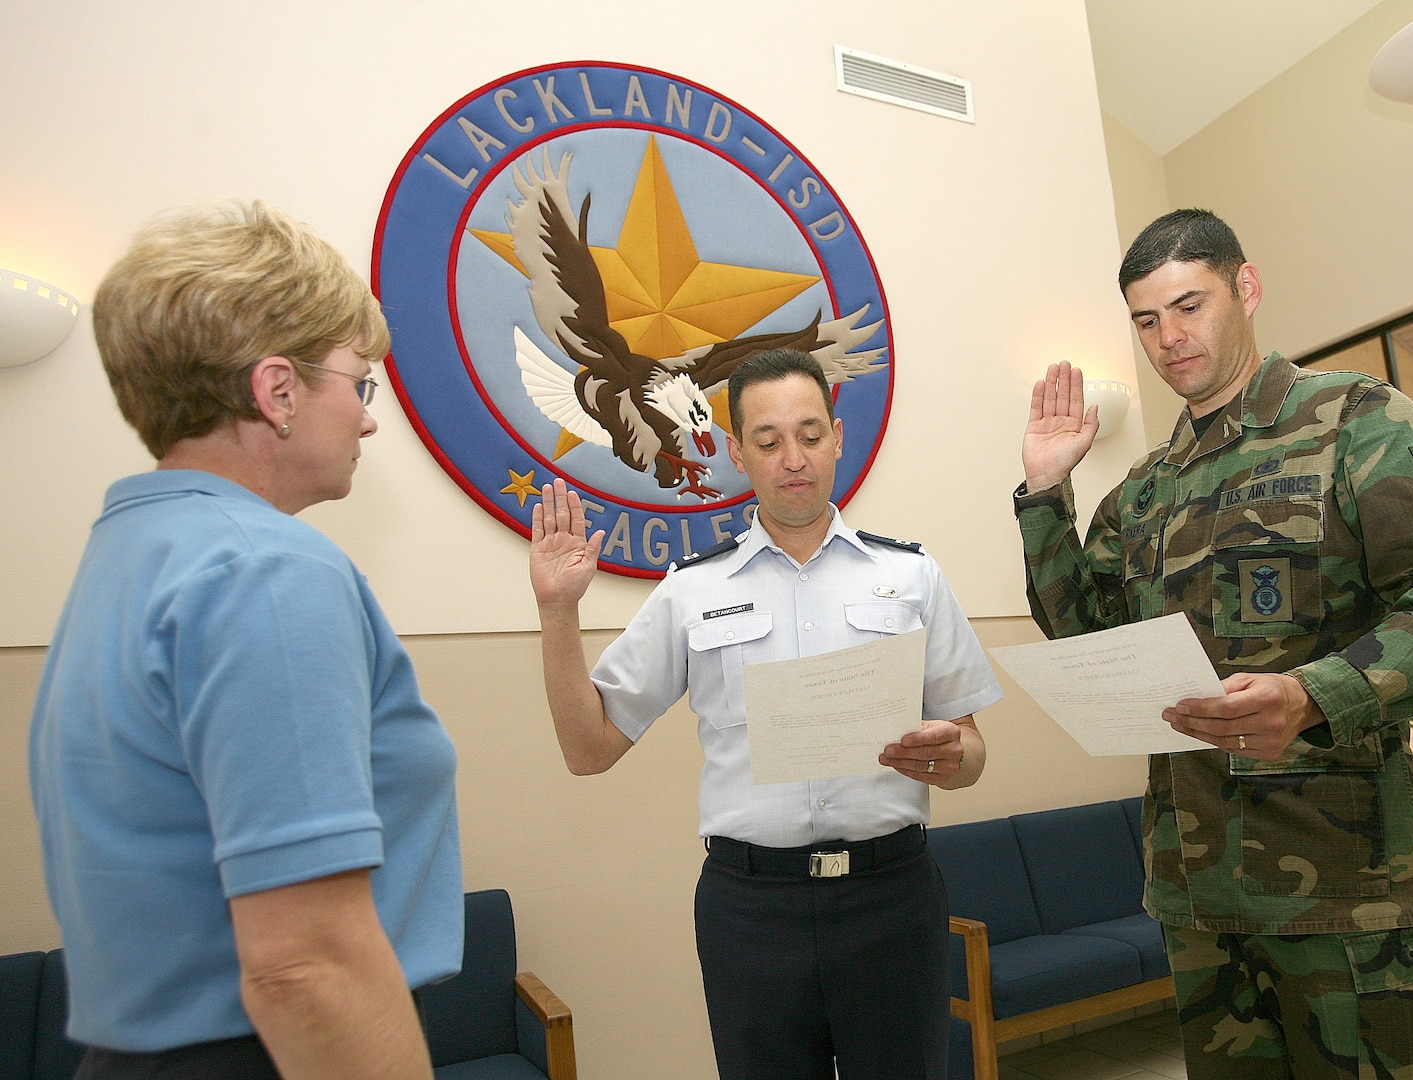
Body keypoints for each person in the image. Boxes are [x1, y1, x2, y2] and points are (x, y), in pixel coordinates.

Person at [1015, 208, 1413, 1078]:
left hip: (1352, 900)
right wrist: (1044, 495)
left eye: (1189, 305)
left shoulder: (1354, 420)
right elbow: (1085, 638)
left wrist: (1318, 694)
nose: (1168, 338)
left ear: (1245, 287)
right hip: (1200, 904)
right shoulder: (1142, 491)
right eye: (1146, 320)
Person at [29, 200, 462, 1080]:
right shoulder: (263, 571)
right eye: (359, 381)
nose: (370, 418)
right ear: (278, 391)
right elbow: (306, 965)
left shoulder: (132, 549)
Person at [529, 348, 1002, 1080]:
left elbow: (971, 753)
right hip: (752, 912)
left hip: (891, 900)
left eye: (810, 435)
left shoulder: (910, 574)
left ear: (838, 438)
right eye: (769, 440)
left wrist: (951, 756)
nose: (794, 459)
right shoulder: (692, 589)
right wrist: (558, 613)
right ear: (737, 453)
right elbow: (587, 748)